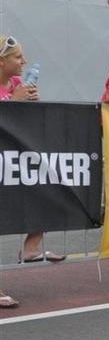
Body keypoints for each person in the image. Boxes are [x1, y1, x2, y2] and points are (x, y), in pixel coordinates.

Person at [0, 35, 66, 263]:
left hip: (15, 158)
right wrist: (12, 102)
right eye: (18, 57)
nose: (24, 61)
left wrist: (32, 103)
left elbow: (23, 119)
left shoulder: (17, 83)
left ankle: (31, 248)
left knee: (47, 188)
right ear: (2, 62)